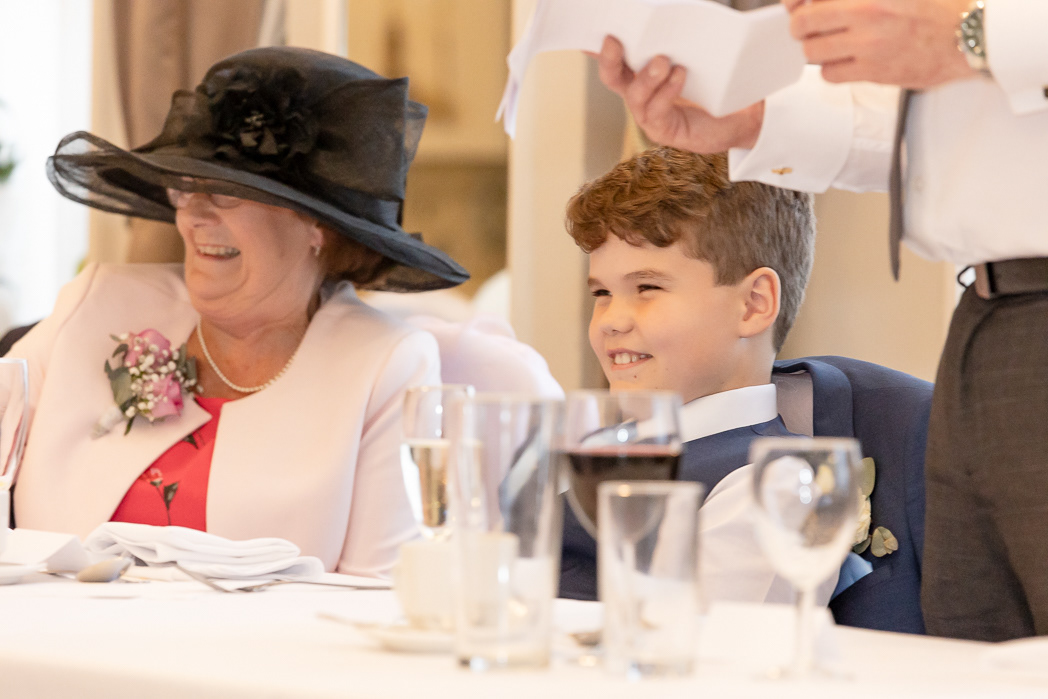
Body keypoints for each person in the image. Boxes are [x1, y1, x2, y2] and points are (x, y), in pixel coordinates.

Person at [593, 0, 1048, 642]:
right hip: (994, 310)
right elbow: (967, 130)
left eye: (646, 288)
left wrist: (976, 33)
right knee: (978, 655)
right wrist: (761, 120)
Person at [3, 46, 470, 578]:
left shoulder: (385, 366)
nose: (193, 215)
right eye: (186, 187)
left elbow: (381, 593)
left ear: (318, 225)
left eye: (226, 193)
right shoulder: (97, 303)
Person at [557, 148, 931, 633]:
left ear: (754, 304)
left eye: (647, 288)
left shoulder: (772, 488)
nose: (611, 320)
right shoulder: (596, 455)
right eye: (602, 293)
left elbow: (700, 648)